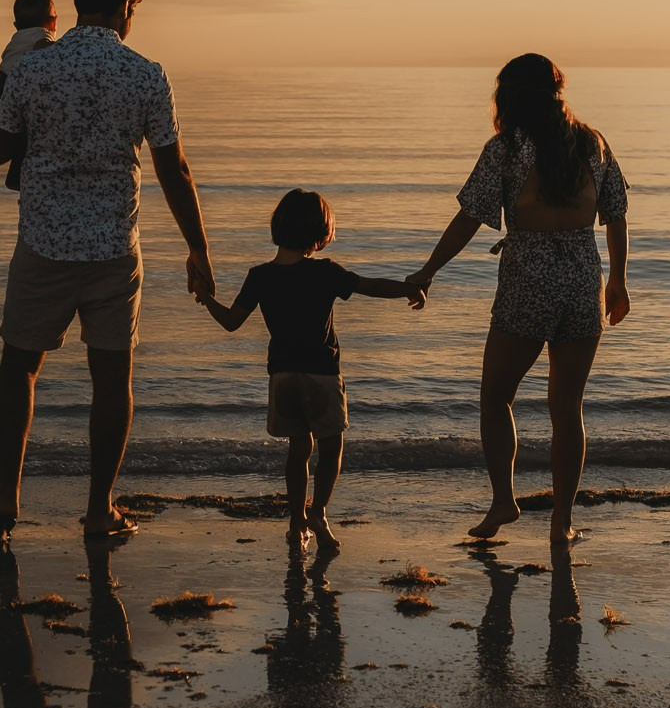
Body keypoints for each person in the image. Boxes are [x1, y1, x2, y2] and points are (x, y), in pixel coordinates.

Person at [0, 0, 215, 539]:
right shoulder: (145, 73)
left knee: (20, 368)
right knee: (112, 379)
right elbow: (174, 170)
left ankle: (6, 500)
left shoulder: (34, 70)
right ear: (125, 8)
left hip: (43, 244)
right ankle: (97, 508)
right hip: (114, 246)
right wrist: (199, 250)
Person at [407, 54, 630, 548]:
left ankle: (504, 500)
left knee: (496, 397)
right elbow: (615, 214)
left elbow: (470, 217)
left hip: (527, 276)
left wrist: (428, 270)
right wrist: (619, 281)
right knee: (567, 408)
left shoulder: (505, 148)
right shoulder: (593, 142)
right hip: (579, 276)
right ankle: (561, 521)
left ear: (510, 95)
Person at [201, 188, 423, 552]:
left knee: (298, 448)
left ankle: (295, 523)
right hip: (321, 373)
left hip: (283, 376)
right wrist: (409, 289)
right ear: (319, 233)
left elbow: (230, 322)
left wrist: (205, 296)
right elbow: (372, 286)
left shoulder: (259, 276)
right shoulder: (325, 272)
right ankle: (318, 512)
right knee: (331, 447)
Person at [0, 0, 56, 191]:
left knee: (21, 139)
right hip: (16, 92)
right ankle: (16, 177)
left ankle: (15, 176)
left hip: (1, 90)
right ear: (53, 21)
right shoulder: (44, 39)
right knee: (28, 136)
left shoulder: (15, 40)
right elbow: (43, 50)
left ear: (16, 25)